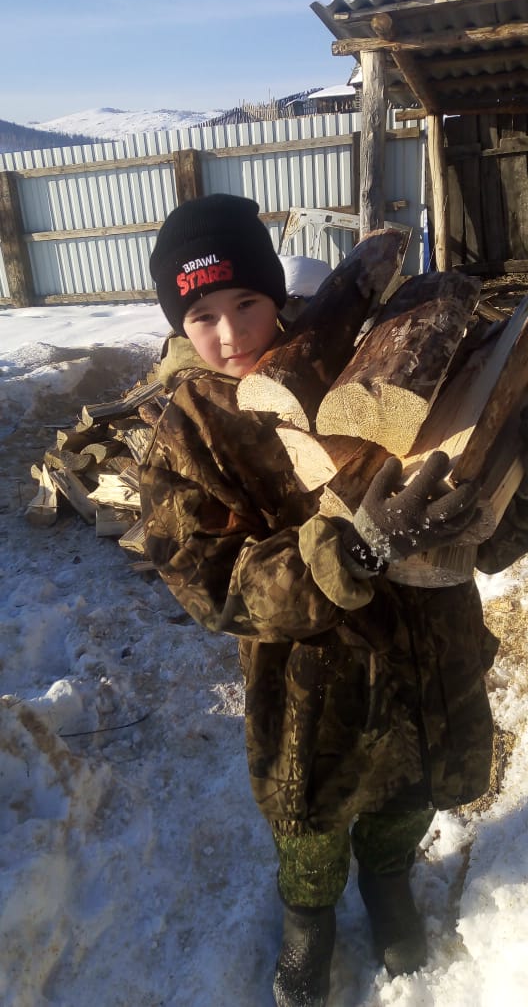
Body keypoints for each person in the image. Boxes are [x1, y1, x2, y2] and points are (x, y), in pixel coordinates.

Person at [139, 193, 528, 1007]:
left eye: (246, 302)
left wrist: (499, 487)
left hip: (426, 654)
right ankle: (307, 922)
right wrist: (350, 549)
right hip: (312, 683)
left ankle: (388, 885)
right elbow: (210, 582)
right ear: (179, 324)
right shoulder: (191, 432)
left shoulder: (371, 356)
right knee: (311, 826)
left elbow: (483, 532)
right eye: (202, 315)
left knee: (406, 799)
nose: (230, 333)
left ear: (276, 292)